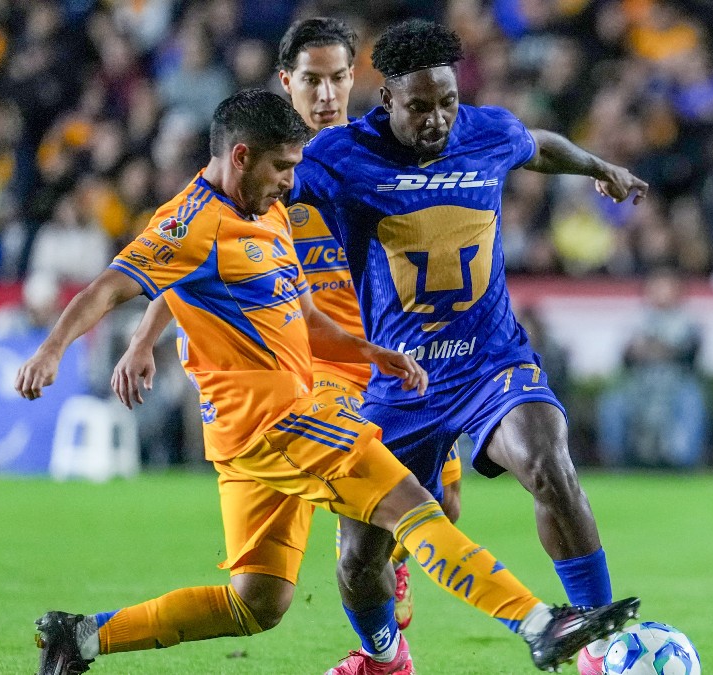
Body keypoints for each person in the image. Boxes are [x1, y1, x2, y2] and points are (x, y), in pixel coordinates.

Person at [17, 89, 637, 675]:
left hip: (250, 441)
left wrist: (373, 353)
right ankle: (536, 623)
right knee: (412, 507)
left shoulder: (267, 212)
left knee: (255, 603)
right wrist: (52, 350)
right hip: (275, 424)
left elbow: (306, 319)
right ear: (241, 157)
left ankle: (83, 636)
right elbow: (110, 286)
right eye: (283, 168)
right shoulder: (193, 224)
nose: (292, 181)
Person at [286, 20, 649, 674]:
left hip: (492, 363)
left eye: (447, 102)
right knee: (357, 556)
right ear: (387, 101)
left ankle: (601, 644)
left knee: (547, 460)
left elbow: (539, 145)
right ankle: (384, 656)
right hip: (402, 383)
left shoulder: (488, 131)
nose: (437, 120)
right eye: (420, 107)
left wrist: (600, 167)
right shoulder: (338, 157)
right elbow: (259, 188)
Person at [112, 17, 464, 636]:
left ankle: (376, 566)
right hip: (317, 363)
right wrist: (145, 337)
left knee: (446, 510)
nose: (326, 95)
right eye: (312, 80)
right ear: (287, 81)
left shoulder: (381, 150)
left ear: (356, 79)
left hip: (392, 350)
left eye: (337, 79)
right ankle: (379, 628)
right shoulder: (264, 164)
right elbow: (193, 258)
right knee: (384, 505)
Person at [597, 267, 706, 469]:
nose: (661, 292)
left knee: (692, 400)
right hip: (639, 385)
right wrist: (657, 349)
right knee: (613, 403)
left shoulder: (689, 321)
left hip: (676, 385)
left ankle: (683, 464)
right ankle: (616, 462)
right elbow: (627, 356)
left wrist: (654, 349)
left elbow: (690, 355)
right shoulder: (636, 319)